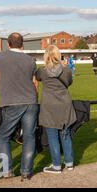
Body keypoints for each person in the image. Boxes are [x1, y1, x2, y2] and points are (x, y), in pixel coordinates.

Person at [0, 33, 39, 181]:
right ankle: (26, 172)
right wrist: (34, 100)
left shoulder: (0, 57)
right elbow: (35, 83)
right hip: (31, 101)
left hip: (11, 102)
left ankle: (6, 171)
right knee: (29, 137)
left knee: (3, 136)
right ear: (22, 44)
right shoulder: (31, 60)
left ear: (8, 44)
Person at [36, 45, 76, 174]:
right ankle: (69, 163)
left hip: (49, 105)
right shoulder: (66, 70)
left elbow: (37, 77)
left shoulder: (42, 71)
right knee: (65, 134)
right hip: (64, 103)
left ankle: (57, 165)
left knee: (53, 136)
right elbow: (69, 82)